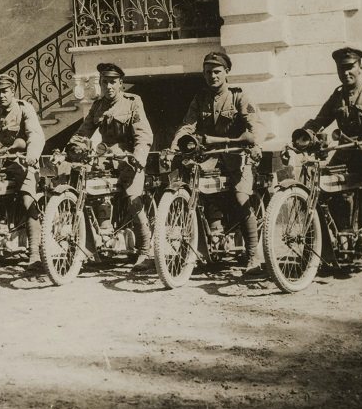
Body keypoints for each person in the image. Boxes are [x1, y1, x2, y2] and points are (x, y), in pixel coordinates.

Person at [293, 46, 362, 253]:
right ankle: (343, 232)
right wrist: (304, 135)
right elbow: (319, 121)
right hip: (347, 150)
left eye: (350, 67)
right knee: (326, 180)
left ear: (360, 67)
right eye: (341, 69)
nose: (346, 72)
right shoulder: (337, 96)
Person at [172, 52, 264, 272]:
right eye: (208, 72)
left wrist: (255, 144)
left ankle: (253, 255)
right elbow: (187, 126)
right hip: (210, 158)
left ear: (226, 72)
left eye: (216, 71)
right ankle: (206, 241)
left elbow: (255, 125)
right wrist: (175, 145)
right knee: (199, 190)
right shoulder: (200, 99)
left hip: (238, 154)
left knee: (242, 198)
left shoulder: (238, 97)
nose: (212, 76)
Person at [69, 62, 154, 266]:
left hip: (129, 160)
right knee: (87, 194)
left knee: (134, 200)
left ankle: (145, 251)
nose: (109, 86)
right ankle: (91, 247)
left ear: (121, 84)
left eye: (113, 82)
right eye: (105, 82)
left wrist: (139, 156)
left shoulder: (133, 102)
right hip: (105, 160)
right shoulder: (98, 106)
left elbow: (143, 133)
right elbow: (84, 130)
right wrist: (73, 146)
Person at [0, 73, 45, 267]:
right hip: (4, 161)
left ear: (12, 91)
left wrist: (32, 154)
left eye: (4, 91)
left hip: (24, 161)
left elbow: (34, 135)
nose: (1, 96)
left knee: (28, 199)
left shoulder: (23, 108)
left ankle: (35, 254)